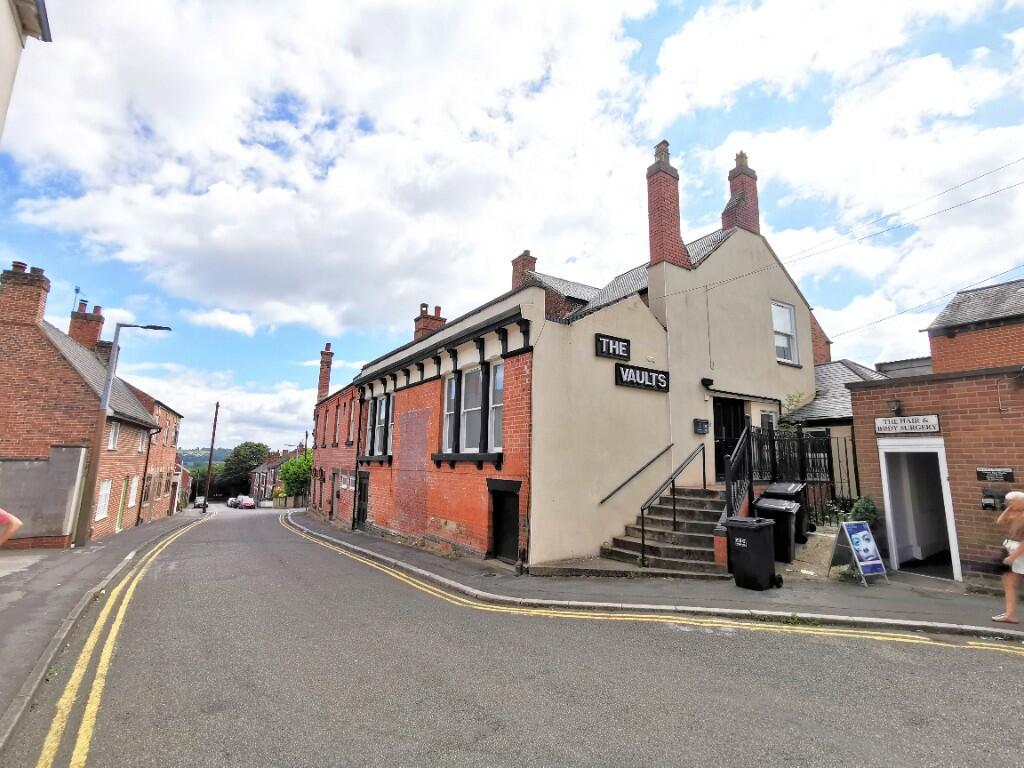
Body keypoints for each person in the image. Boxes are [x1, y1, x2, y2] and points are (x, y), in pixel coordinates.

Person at [993, 491, 1024, 624]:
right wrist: (1009, 508)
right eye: (1008, 502)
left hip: (1018, 551)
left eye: (1011, 501)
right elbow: (999, 522)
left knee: (1011, 582)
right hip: (1009, 548)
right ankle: (1010, 614)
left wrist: (1012, 557)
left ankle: (1010, 614)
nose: (1009, 504)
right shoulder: (1014, 513)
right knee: (1008, 581)